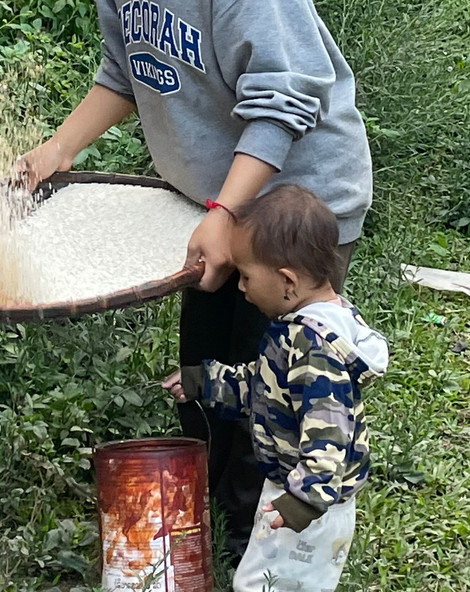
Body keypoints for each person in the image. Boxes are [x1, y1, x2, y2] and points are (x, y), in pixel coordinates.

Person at [22, 0, 373, 558]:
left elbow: (285, 99)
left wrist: (224, 212)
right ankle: (212, 525)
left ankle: (273, 546)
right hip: (219, 207)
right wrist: (57, 149)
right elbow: (125, 70)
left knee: (280, 392)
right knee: (206, 378)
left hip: (292, 209)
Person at [163, 185, 389, 591]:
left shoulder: (315, 349)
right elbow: (264, 386)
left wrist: (305, 499)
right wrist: (205, 382)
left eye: (247, 276)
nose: (241, 287)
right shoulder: (299, 329)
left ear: (287, 281)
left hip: (310, 500)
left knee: (261, 585)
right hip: (297, 487)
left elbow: (329, 430)